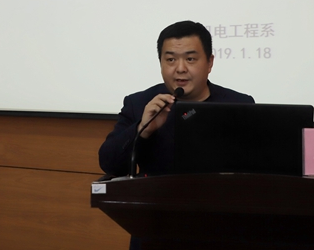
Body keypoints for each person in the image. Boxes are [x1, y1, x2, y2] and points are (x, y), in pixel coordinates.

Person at [98, 20, 255, 178]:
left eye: (190, 59)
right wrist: (142, 129)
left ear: (210, 63)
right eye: (171, 60)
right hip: (157, 193)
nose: (180, 69)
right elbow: (110, 165)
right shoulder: (140, 103)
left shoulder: (239, 105)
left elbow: (256, 169)